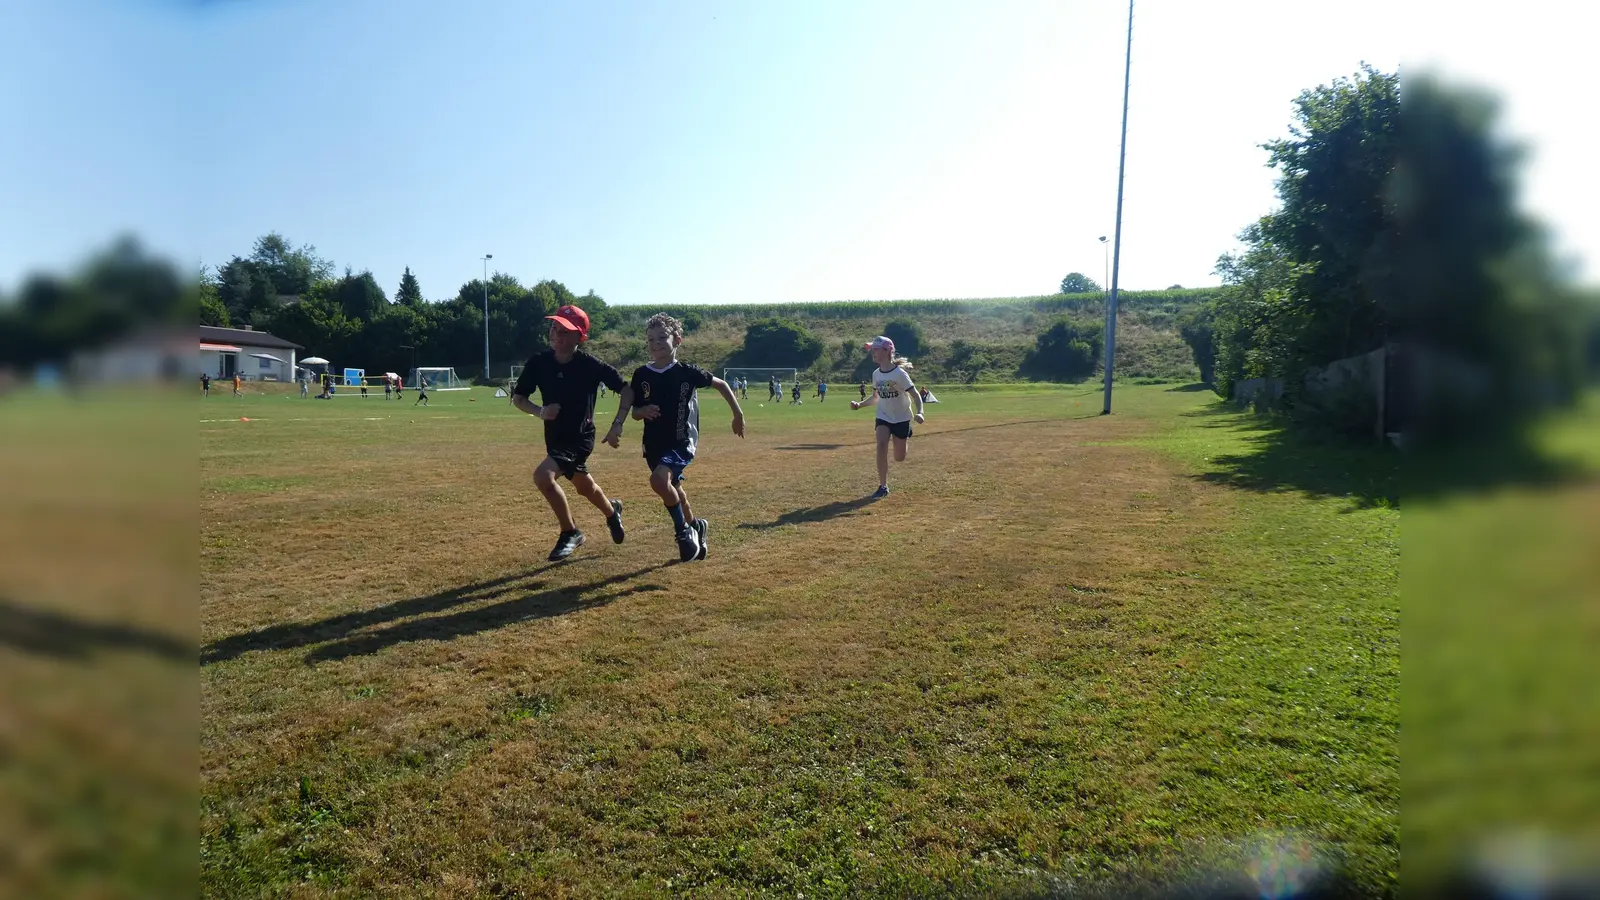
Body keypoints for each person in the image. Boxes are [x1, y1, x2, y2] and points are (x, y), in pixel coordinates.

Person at [510, 304, 633, 562]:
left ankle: (570, 532)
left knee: (543, 476)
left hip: (580, 437)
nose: (556, 333)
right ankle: (612, 512)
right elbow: (519, 398)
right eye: (554, 327)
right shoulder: (538, 363)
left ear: (580, 337)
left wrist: (617, 424)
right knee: (584, 486)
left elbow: (626, 390)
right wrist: (540, 411)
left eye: (564, 330)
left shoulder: (591, 365)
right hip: (555, 437)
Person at [630, 313, 745, 562]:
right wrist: (642, 411)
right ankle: (696, 526)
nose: (656, 343)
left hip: (681, 441)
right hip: (653, 444)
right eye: (650, 339)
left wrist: (738, 414)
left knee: (659, 480)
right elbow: (634, 412)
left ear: (677, 340)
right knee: (673, 488)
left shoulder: (687, 372)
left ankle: (683, 533)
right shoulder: (641, 375)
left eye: (662, 337)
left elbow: (722, 384)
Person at [849, 335, 925, 499]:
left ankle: (905, 436)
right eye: (872, 350)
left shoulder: (899, 374)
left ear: (886, 351)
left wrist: (920, 412)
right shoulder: (876, 374)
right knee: (881, 444)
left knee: (899, 457)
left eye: (875, 350)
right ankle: (883, 486)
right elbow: (875, 398)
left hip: (902, 418)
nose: (873, 353)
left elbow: (915, 394)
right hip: (883, 416)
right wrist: (860, 405)